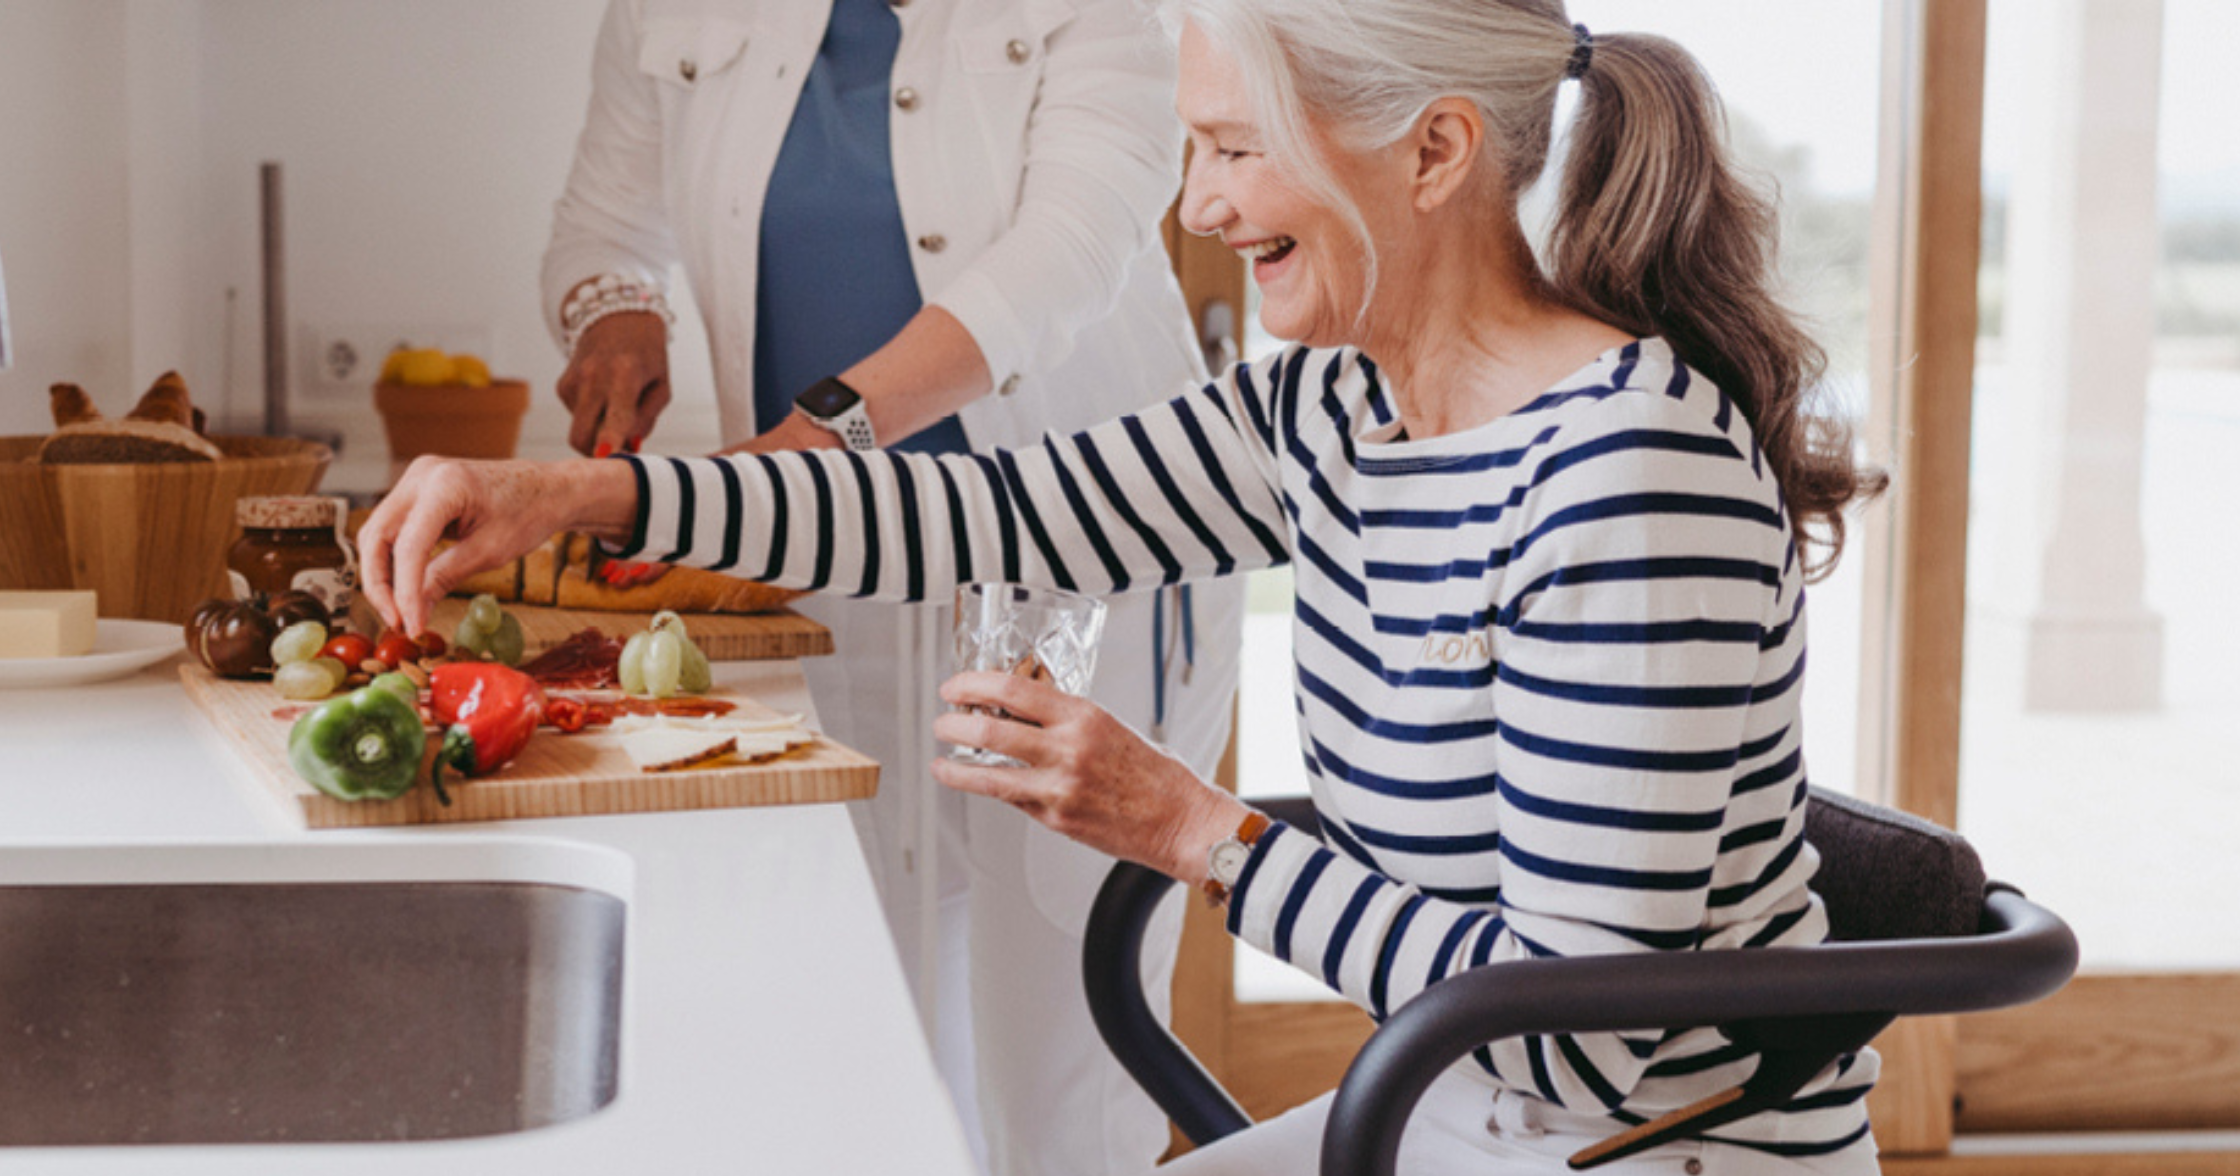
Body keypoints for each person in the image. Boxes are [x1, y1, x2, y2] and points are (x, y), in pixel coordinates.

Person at [367, 0, 1890, 1170]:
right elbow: (984, 511)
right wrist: (585, 493)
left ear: (1433, 153)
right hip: (1445, 1119)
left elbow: (1588, 1042)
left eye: (1237, 150)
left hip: (1640, 1151)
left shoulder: (1626, 478)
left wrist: (1186, 828)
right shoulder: (1333, 413)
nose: (1201, 208)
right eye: (1197, 150)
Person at [535, 3, 1244, 1174]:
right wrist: (618, 311)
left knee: (1059, 1038)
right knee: (868, 1013)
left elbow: (1065, 257)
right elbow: (603, 223)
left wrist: (801, 449)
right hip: (831, 583)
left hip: (1070, 582)